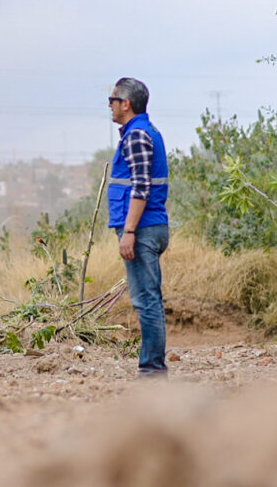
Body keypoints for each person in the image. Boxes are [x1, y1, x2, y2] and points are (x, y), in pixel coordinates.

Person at [107, 77, 170, 377]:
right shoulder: (144, 132)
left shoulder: (137, 136)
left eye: (112, 100)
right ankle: (152, 367)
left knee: (146, 300)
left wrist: (129, 232)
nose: (110, 105)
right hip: (148, 226)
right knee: (149, 298)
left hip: (143, 229)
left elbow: (141, 187)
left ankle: (152, 371)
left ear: (126, 103)